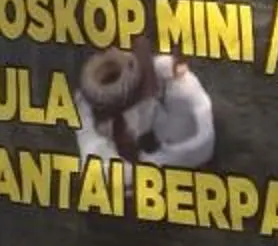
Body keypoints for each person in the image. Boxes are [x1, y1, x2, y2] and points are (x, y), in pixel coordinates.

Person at [74, 44, 216, 170]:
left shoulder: (142, 72)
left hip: (155, 123)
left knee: (184, 121)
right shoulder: (91, 129)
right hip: (121, 165)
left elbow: (201, 139)